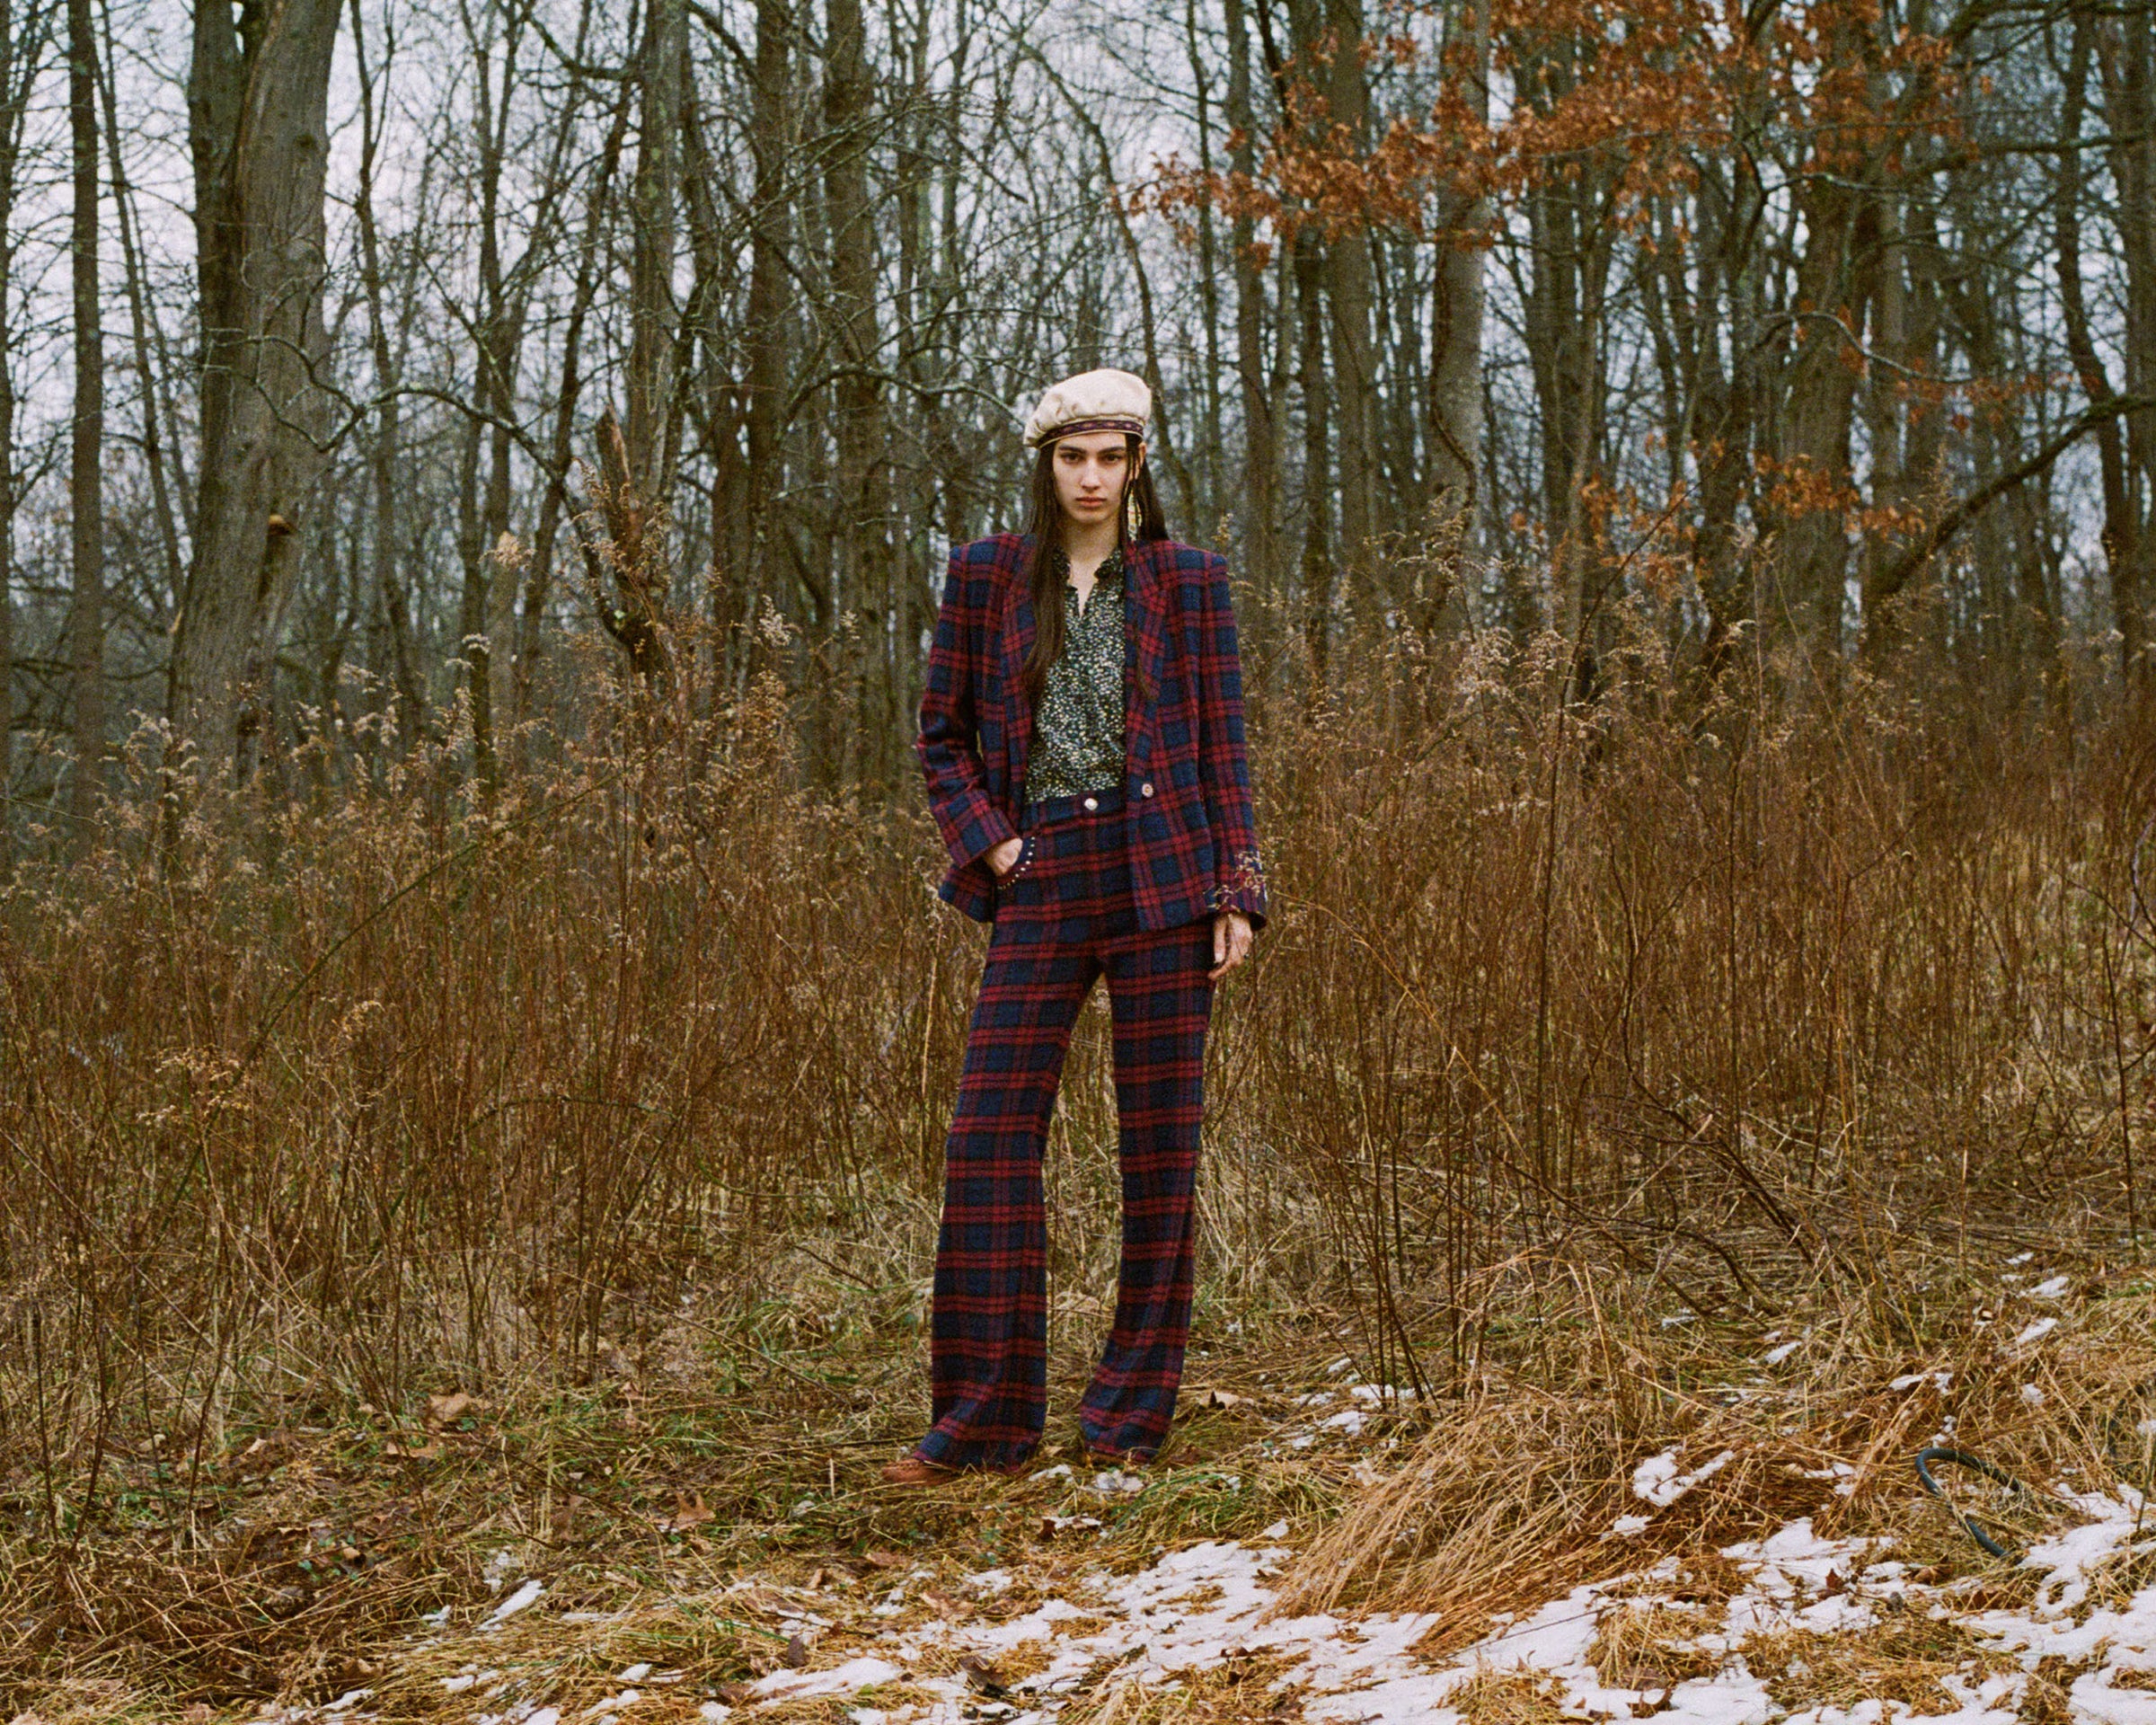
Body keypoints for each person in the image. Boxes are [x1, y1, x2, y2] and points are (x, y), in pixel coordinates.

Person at [885, 367, 1267, 1486]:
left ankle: (1128, 1416)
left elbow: (1224, 743)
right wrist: (994, 843)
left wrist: (1238, 888)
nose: (1092, 477)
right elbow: (940, 738)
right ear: (1044, 463)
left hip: (1165, 879)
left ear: (1139, 462)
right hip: (1043, 874)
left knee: (1159, 1151)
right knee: (988, 1137)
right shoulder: (989, 576)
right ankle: (983, 1422)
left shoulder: (1189, 582)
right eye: (1072, 456)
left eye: (1112, 456)